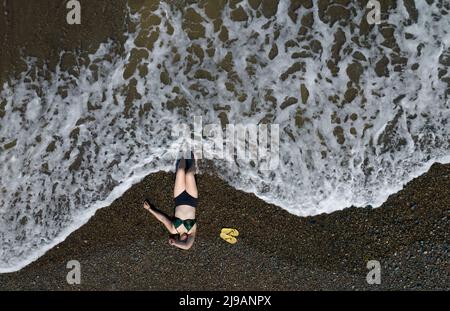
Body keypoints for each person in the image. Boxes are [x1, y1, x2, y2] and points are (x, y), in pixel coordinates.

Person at [143, 155, 197, 250]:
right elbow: (187, 246)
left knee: (180, 170)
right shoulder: (192, 232)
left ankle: (185, 151)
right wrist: (176, 243)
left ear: (179, 239)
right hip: (192, 199)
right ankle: (196, 160)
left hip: (179, 198)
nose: (185, 240)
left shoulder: (173, 229)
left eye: (182, 241)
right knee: (189, 174)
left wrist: (150, 209)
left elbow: (163, 219)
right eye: (185, 241)